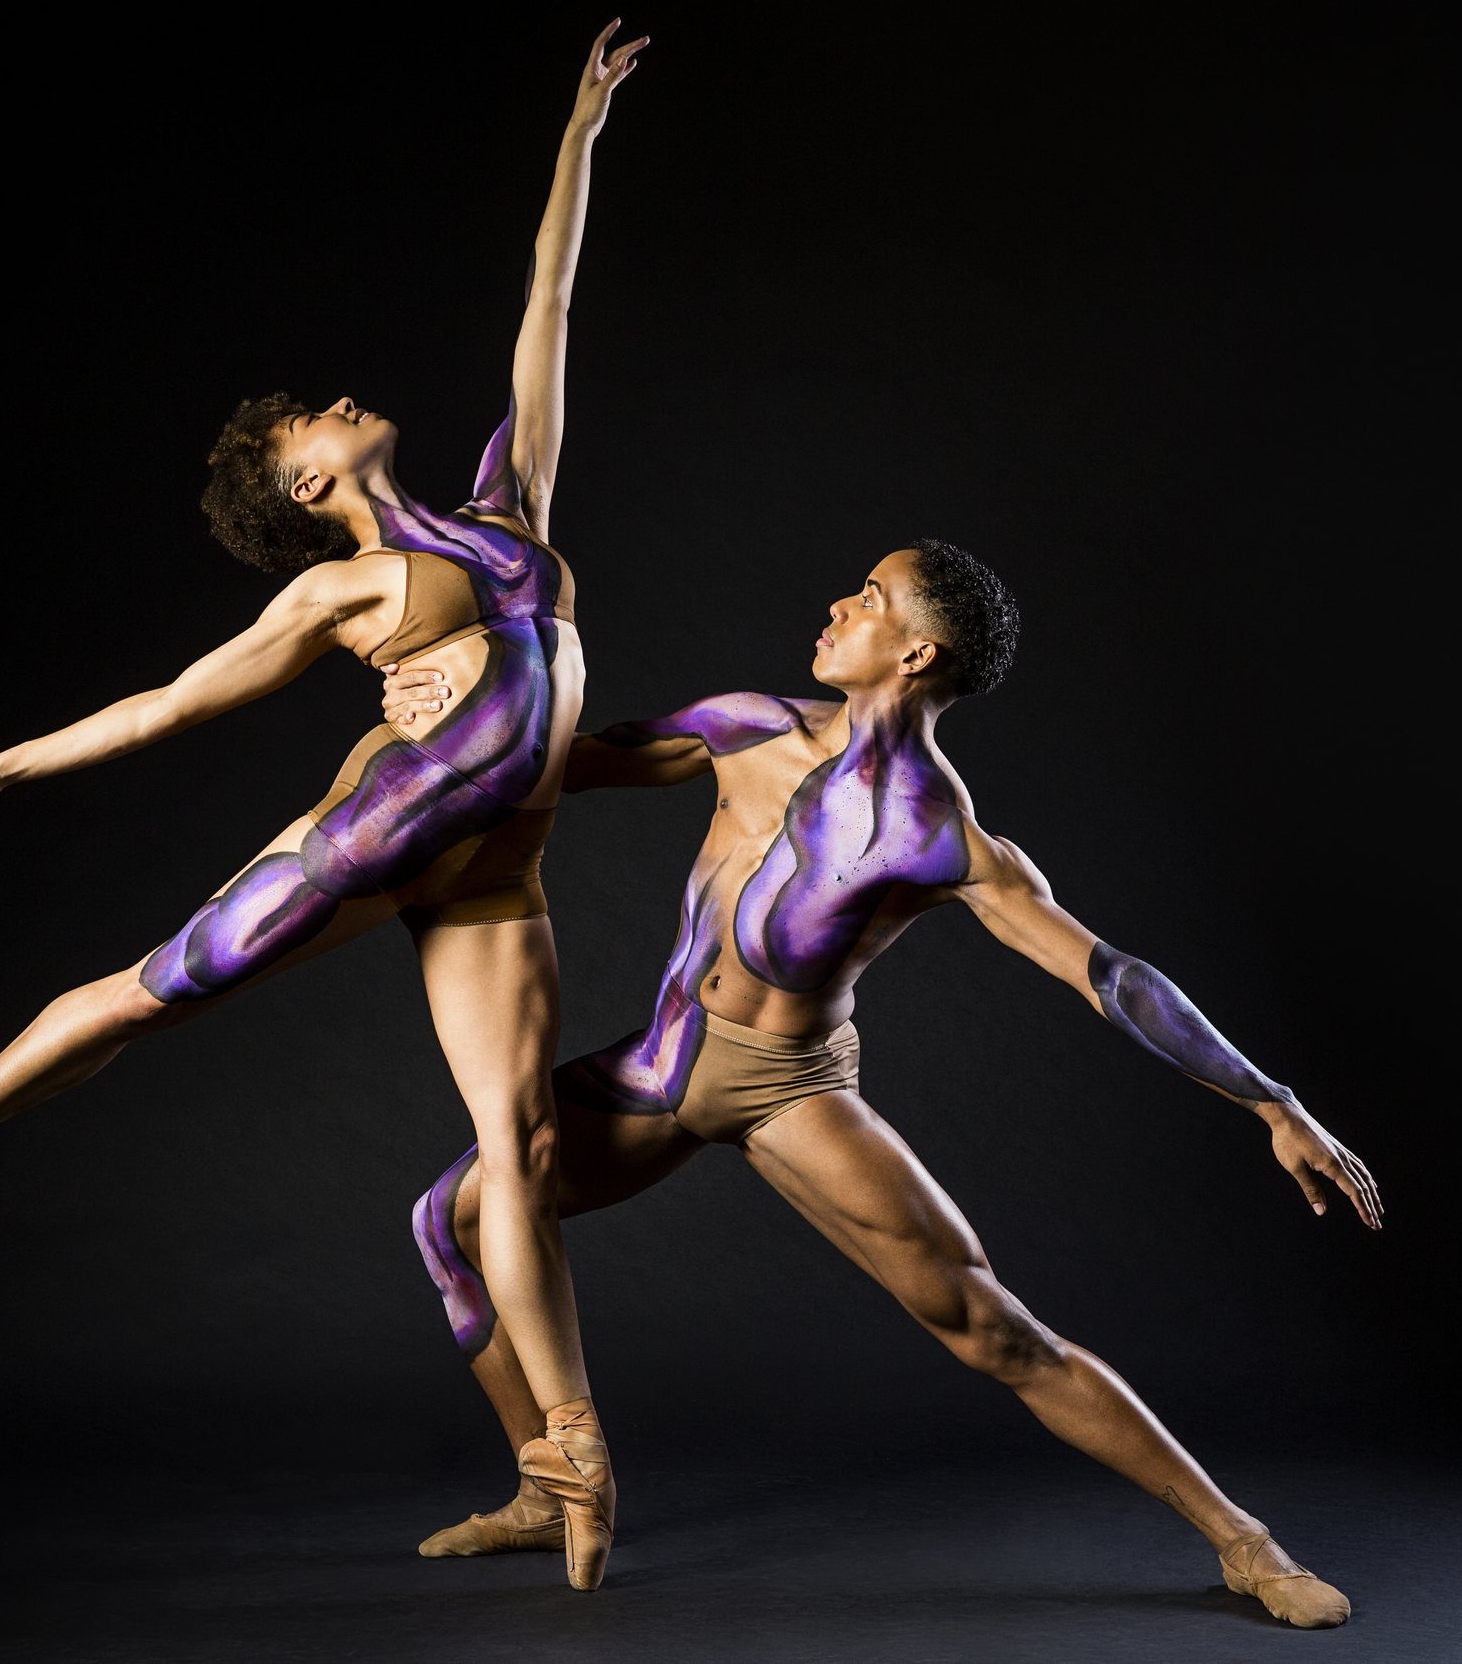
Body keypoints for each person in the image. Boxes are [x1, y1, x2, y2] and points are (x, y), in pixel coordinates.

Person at [0, 22, 651, 1593]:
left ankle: (559, 1455)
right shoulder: (344, 591)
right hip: (384, 832)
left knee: (509, 1151)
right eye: (303, 424)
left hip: (494, 871)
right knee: (155, 988)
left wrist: (581, 124)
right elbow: (166, 703)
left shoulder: (507, 506)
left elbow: (552, 297)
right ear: (306, 486)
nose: (330, 403)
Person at [385, 540, 1381, 1626]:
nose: (834, 602)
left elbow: (1110, 974)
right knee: (451, 1219)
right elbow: (534, 764)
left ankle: (1246, 1542)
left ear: (914, 650)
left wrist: (1269, 1098)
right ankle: (545, 1484)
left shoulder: (937, 837)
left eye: (865, 597)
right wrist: (445, 700)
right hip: (662, 1062)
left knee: (994, 1329)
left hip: (786, 1085)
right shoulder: (744, 724)